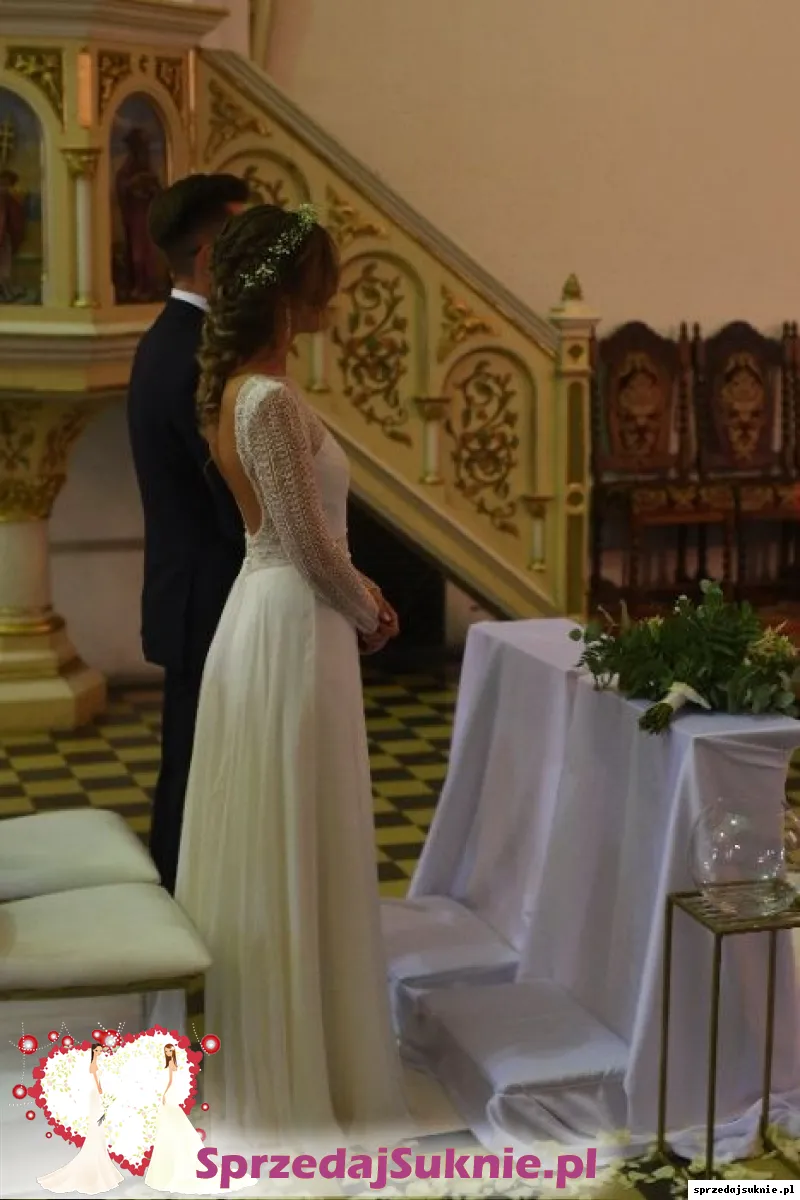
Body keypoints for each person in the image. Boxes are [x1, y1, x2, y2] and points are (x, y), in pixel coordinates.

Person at [175, 203, 408, 1146]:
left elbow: (305, 537)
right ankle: (296, 1083)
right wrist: (368, 609)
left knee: (299, 830)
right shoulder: (266, 400)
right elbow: (305, 542)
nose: (333, 298)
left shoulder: (248, 388)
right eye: (323, 281)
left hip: (279, 611)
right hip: (291, 622)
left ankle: (309, 1056)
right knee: (300, 829)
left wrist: (359, 590)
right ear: (287, 292)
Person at [127, 173, 250, 894]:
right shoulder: (192, 353)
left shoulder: (176, 339)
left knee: (198, 766)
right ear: (208, 257)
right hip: (211, 593)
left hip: (197, 588)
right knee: (196, 774)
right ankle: (178, 916)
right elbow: (228, 497)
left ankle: (188, 909)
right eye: (244, 247)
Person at [37, 1044, 123, 1195]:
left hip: (97, 1095)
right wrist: (102, 1093)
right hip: (96, 1095)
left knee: (99, 1127)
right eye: (97, 1051)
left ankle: (100, 1160)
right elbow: (96, 1081)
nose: (99, 1052)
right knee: (97, 1126)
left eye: (100, 1050)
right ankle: (95, 1162)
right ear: (93, 1051)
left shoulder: (97, 1063)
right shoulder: (93, 1065)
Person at [144, 1044, 207, 1194]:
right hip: (170, 1096)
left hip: (170, 1096)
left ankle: (176, 1166)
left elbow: (171, 1081)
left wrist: (164, 1093)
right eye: (166, 1051)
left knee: (172, 1126)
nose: (167, 1053)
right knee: (169, 1127)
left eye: (169, 1051)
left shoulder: (172, 1065)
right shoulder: (169, 1065)